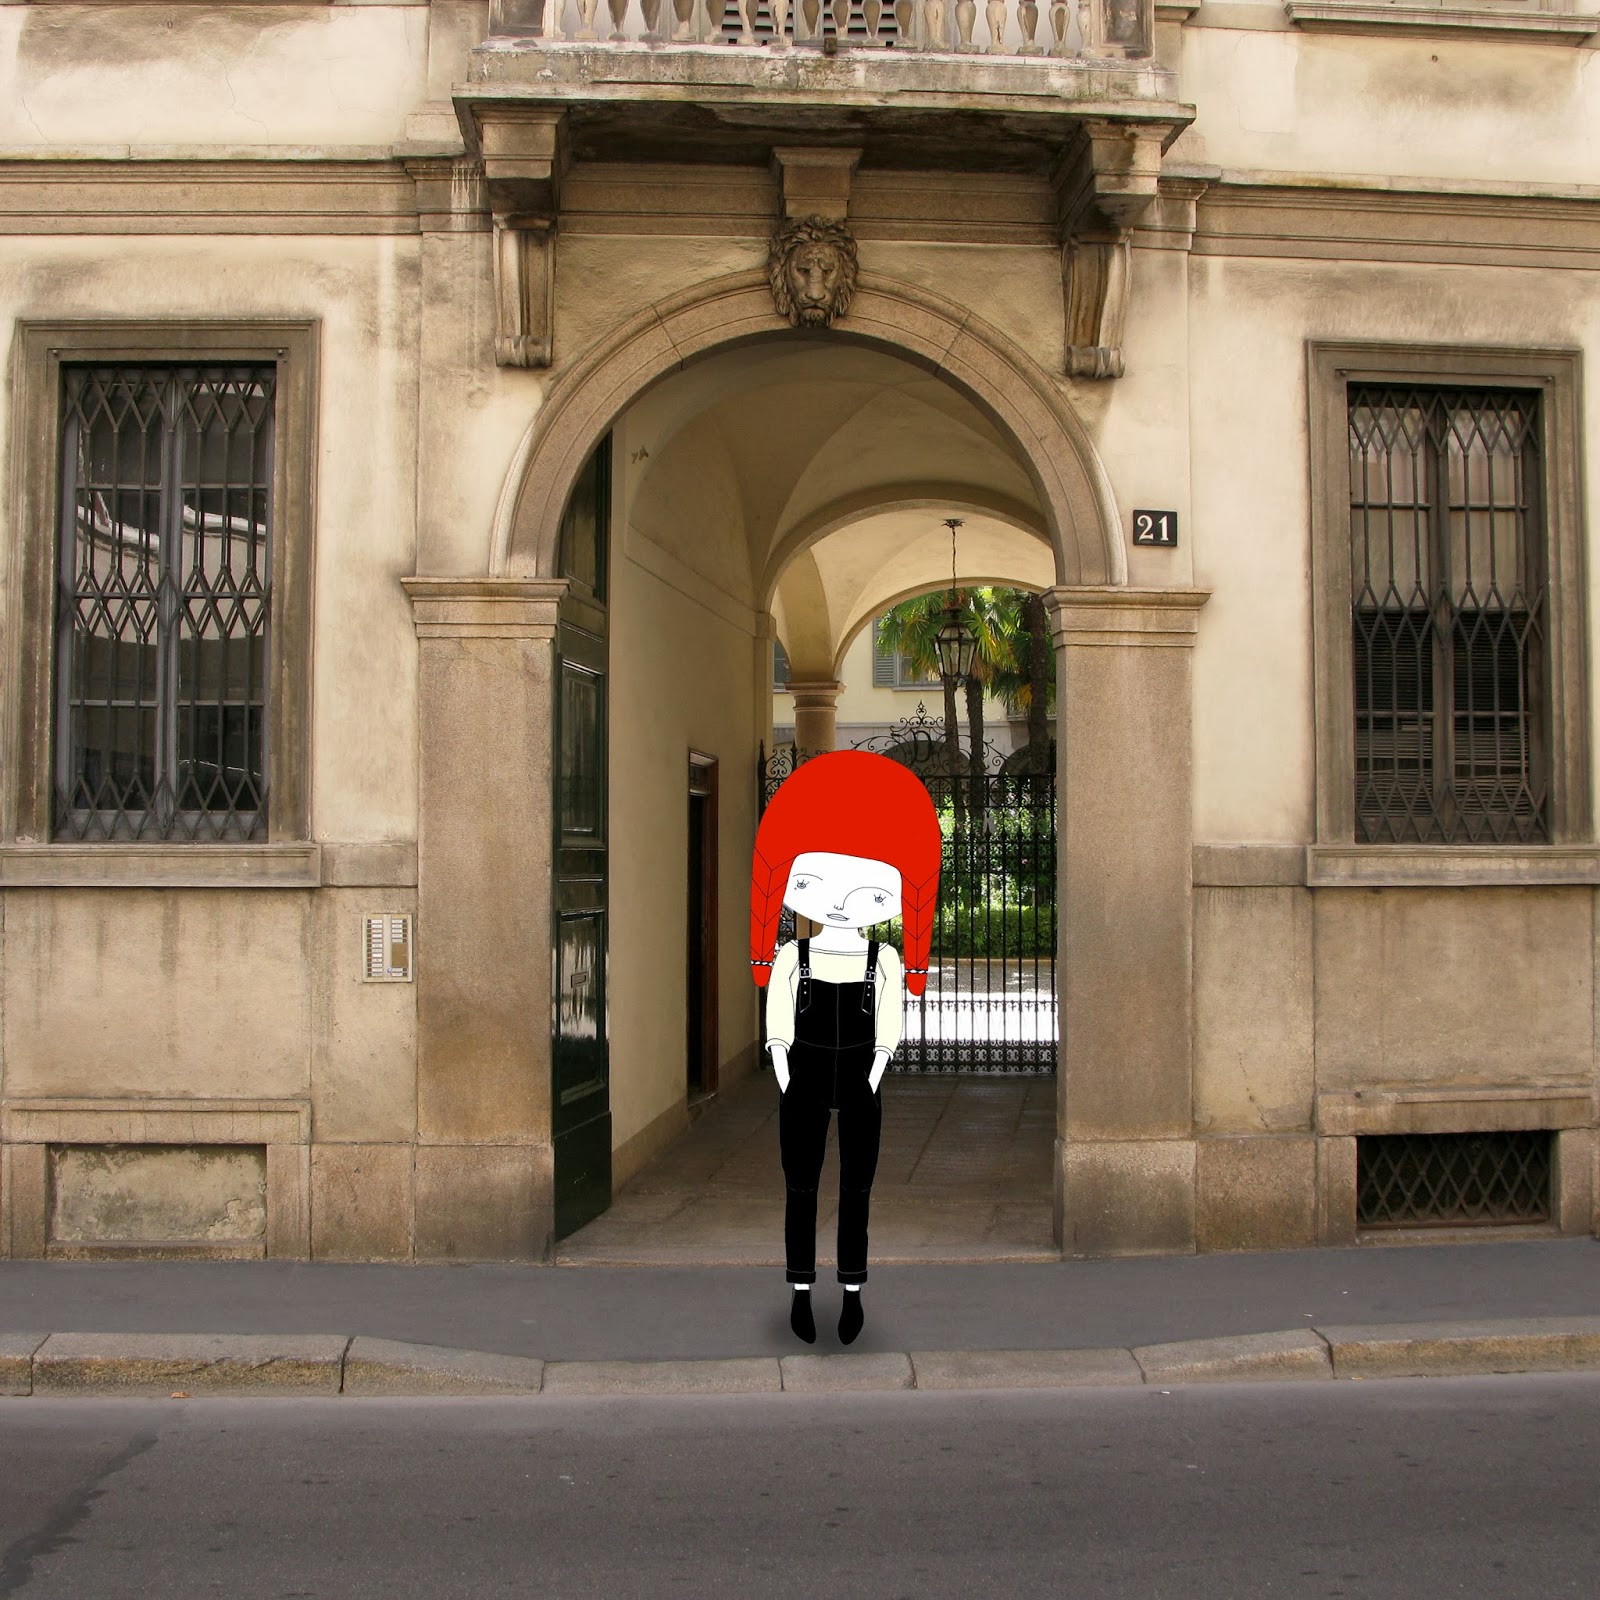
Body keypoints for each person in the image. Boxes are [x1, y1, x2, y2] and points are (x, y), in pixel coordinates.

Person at [750, 751, 942, 1345]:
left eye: (867, 887)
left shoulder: (884, 959)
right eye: (811, 881)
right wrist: (786, 1075)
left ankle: (853, 1292)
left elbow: (889, 1028)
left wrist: (874, 1073)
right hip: (804, 1077)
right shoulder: (793, 956)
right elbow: (777, 1025)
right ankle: (801, 1291)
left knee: (857, 1187)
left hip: (860, 1078)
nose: (835, 900)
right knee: (801, 1186)